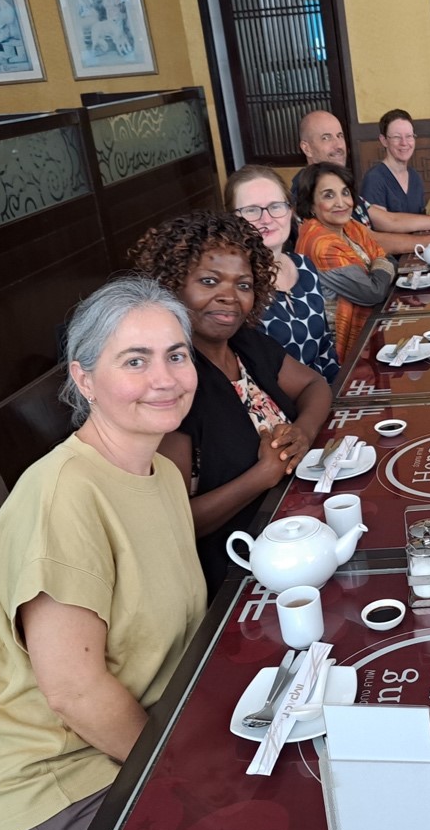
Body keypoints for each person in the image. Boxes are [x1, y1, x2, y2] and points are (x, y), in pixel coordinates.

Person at [0, 278, 207, 830]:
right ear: (85, 379)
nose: (166, 377)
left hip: (134, 744)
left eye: (177, 354)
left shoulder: (160, 472)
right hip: (50, 792)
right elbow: (75, 690)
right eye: (135, 360)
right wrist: (186, 781)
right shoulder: (62, 498)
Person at [132, 211, 332, 594]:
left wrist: (303, 433)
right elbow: (172, 522)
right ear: (171, 286)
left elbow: (315, 386)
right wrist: (262, 475)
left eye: (243, 285)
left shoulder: (244, 344)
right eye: (209, 281)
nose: (229, 296)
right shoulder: (171, 385)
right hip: (239, 567)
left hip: (293, 526)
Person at [295, 110, 430, 256]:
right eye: (326, 138)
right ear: (306, 148)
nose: (338, 145)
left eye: (340, 136)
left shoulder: (340, 184)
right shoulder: (306, 189)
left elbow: (391, 219)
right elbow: (372, 239)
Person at [224, 163, 340, 383]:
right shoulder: (234, 286)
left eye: (276, 206)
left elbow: (325, 349)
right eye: (251, 210)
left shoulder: (304, 266)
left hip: (326, 395)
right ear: (232, 219)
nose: (266, 219)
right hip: (279, 410)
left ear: (290, 211)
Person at [295, 161, 397, 361]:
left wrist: (382, 265)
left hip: (372, 325)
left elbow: (387, 257)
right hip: (337, 350)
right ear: (311, 204)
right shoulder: (320, 245)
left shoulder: (351, 227)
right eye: (328, 195)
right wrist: (382, 264)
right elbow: (373, 292)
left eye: (345, 193)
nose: (341, 203)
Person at [360, 108, 427, 214]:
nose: (404, 143)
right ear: (384, 141)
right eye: (397, 137)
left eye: (409, 136)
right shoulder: (374, 179)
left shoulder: (415, 177)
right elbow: (381, 224)